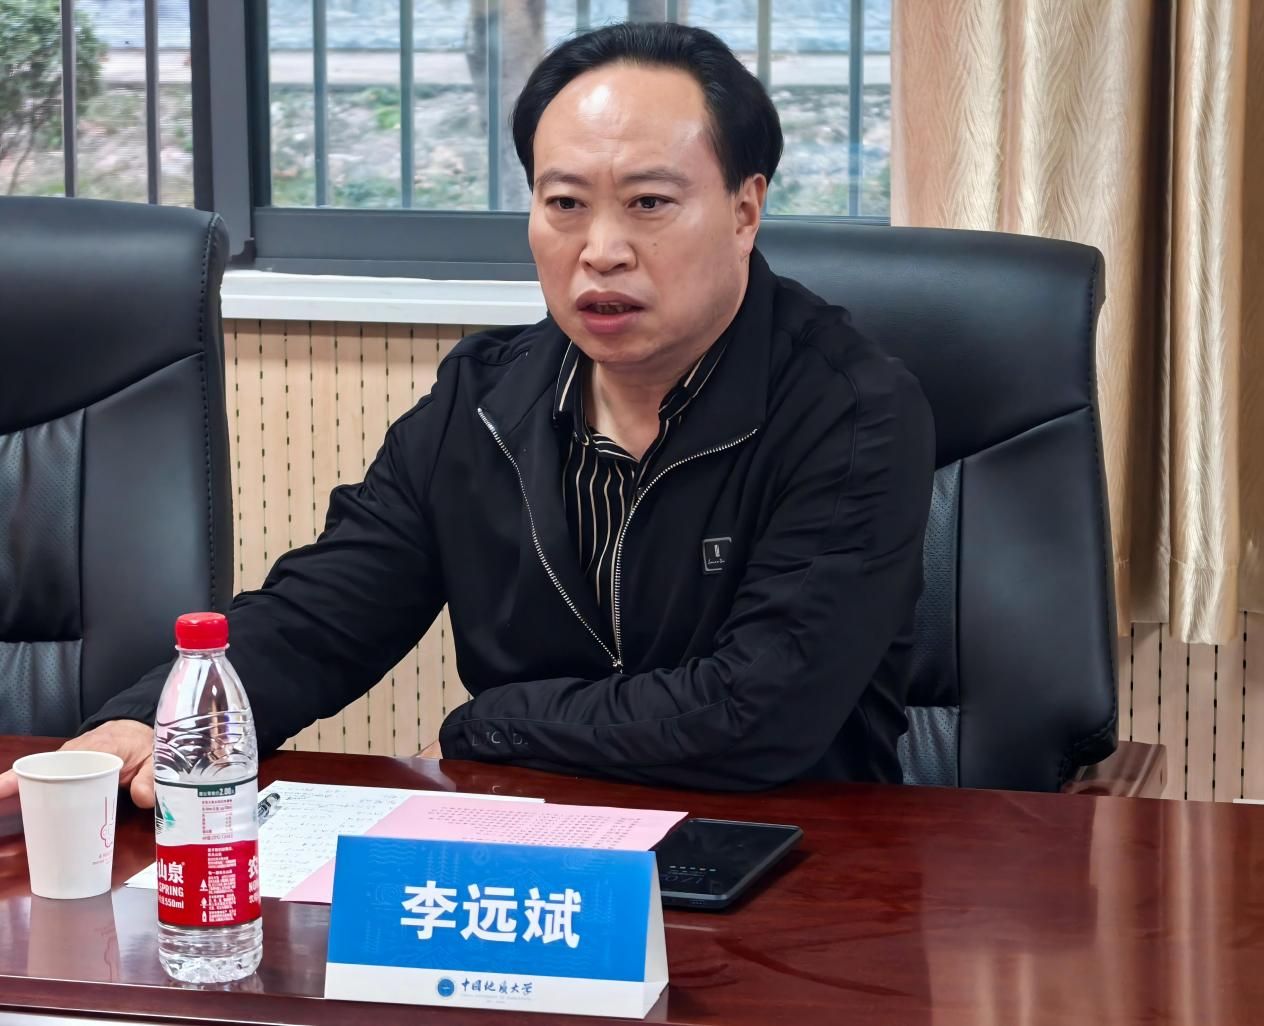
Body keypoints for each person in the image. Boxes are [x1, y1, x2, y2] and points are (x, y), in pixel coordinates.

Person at [0, 22, 933, 808]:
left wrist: (491, 724)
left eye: (650, 203)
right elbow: (325, 613)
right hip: (532, 853)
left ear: (743, 210)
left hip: (797, 864)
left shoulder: (852, 412)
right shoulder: (484, 401)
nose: (601, 250)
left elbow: (755, 713)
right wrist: (153, 721)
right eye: (564, 203)